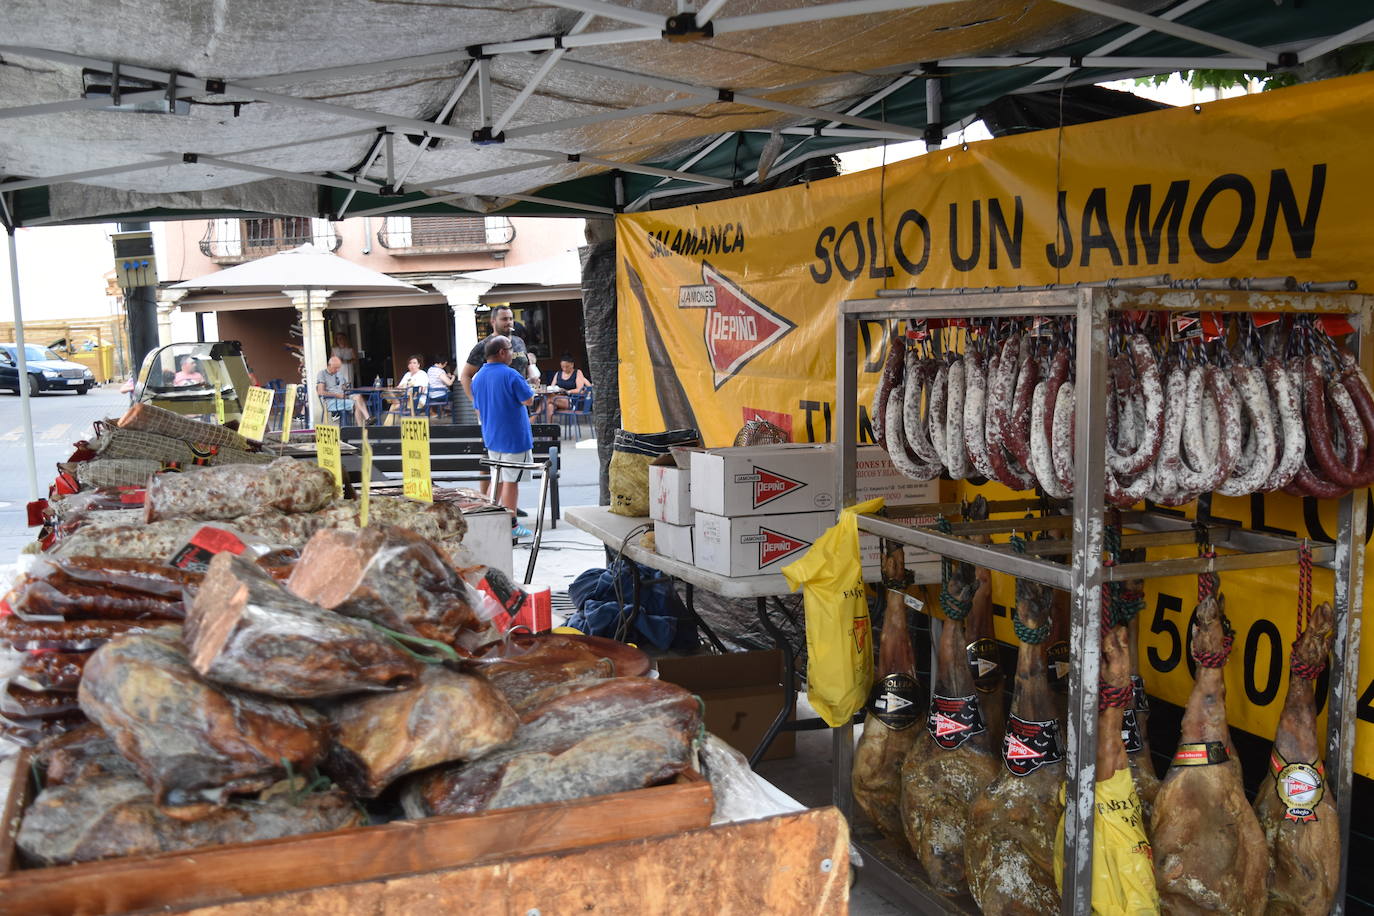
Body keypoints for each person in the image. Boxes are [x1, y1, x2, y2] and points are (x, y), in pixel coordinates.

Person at [470, 336, 535, 540]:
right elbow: (528, 400)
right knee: (510, 481)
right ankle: (511, 523)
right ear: (501, 352)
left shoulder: (478, 377)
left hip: (492, 436)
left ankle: (487, 518)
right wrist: (531, 385)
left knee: (496, 477)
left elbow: (478, 406)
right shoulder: (511, 374)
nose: (512, 353)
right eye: (510, 349)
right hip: (514, 437)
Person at [460, 306, 530, 401]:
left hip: (521, 401)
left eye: (511, 319)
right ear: (493, 321)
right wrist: (476, 403)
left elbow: (526, 366)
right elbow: (465, 375)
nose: (509, 322)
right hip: (496, 404)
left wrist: (532, 379)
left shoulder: (519, 342)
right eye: (504, 319)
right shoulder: (484, 345)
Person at [315, 355, 370, 425]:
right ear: (330, 366)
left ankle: (367, 418)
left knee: (358, 396)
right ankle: (361, 426)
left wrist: (345, 388)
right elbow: (320, 392)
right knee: (357, 403)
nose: (338, 370)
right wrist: (337, 395)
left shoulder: (338, 374)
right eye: (336, 368)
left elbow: (344, 386)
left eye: (339, 368)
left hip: (343, 396)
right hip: (331, 400)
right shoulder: (322, 374)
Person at [540, 354, 591, 423]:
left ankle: (534, 417)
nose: (564, 369)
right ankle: (550, 429)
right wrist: (556, 390)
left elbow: (580, 389)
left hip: (572, 400)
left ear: (572, 365)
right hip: (557, 398)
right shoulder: (558, 373)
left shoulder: (577, 372)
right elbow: (552, 388)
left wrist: (567, 391)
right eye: (562, 367)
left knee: (548, 398)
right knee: (550, 405)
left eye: (567, 366)